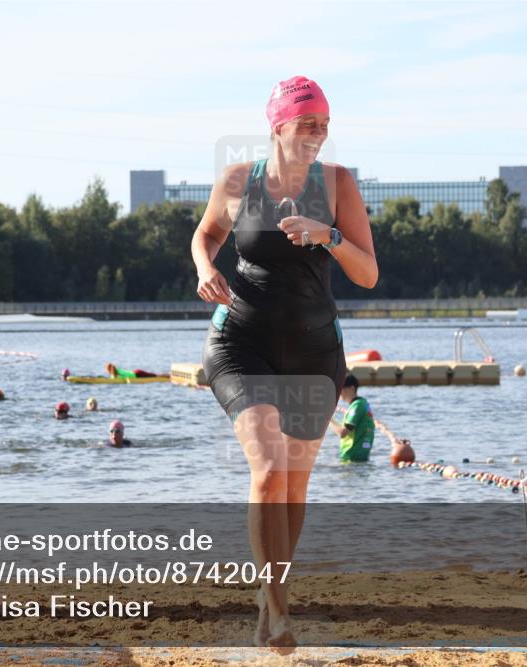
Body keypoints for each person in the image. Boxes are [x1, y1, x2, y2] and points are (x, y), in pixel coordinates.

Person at [192, 75, 377, 650]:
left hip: (314, 351)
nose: (318, 134)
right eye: (307, 124)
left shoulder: (339, 184)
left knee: (294, 486)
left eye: (324, 124)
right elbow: (206, 235)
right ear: (277, 126)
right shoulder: (237, 181)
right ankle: (277, 610)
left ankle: (268, 596)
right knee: (269, 471)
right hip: (240, 343)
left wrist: (329, 236)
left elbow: (368, 274)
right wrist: (205, 268)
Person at [328, 375, 375, 462]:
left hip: (352, 458)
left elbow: (342, 433)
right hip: (360, 458)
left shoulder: (357, 405)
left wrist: (327, 419)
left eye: (341, 388)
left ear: (352, 388)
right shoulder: (363, 403)